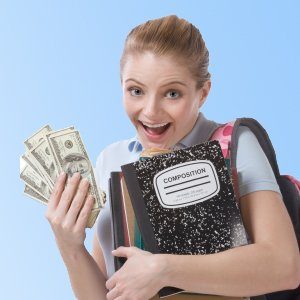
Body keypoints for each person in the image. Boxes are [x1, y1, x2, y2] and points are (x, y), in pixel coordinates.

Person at [45, 15, 300, 300]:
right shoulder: (110, 160)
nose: (151, 112)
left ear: (203, 93)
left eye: (172, 93)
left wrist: (164, 270)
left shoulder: (234, 145)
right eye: (136, 91)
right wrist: (69, 246)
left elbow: (284, 266)